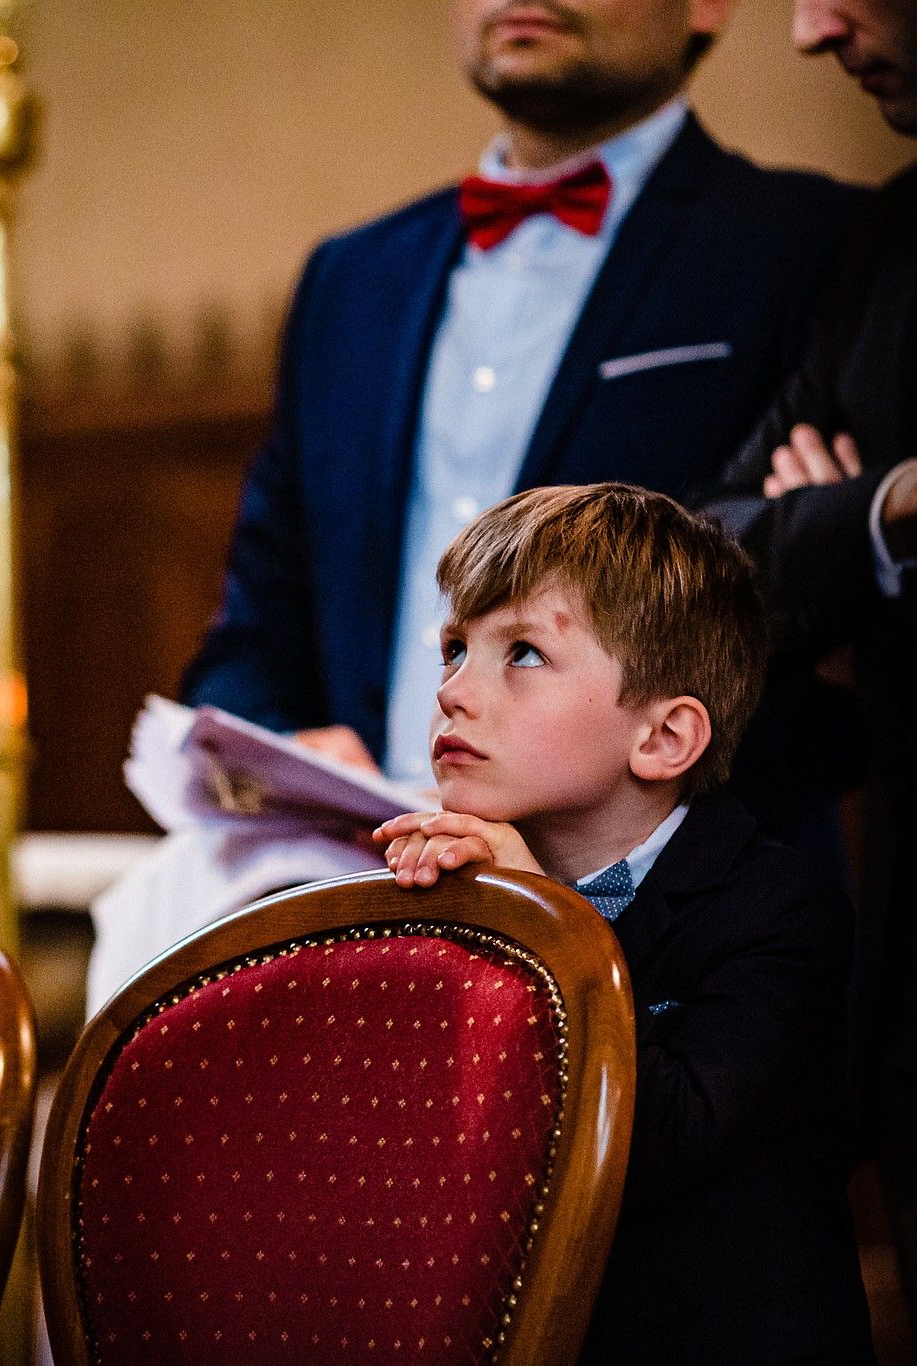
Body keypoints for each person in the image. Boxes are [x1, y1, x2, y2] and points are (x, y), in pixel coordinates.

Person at [179, 0, 860, 823]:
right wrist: (289, 751)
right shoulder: (350, 279)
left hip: (672, 875)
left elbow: (827, 620)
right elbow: (255, 626)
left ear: (707, 7)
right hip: (365, 858)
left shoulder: (814, 245)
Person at [378, 483, 872, 1362]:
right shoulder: (453, 890)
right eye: (454, 650)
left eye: (522, 653)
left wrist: (541, 920)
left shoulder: (778, 913)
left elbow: (647, 1147)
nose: (454, 693)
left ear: (663, 739)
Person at [698, 0, 917, 1321]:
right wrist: (885, 510)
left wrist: (844, 585)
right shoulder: (890, 239)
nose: (808, 27)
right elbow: (718, 558)